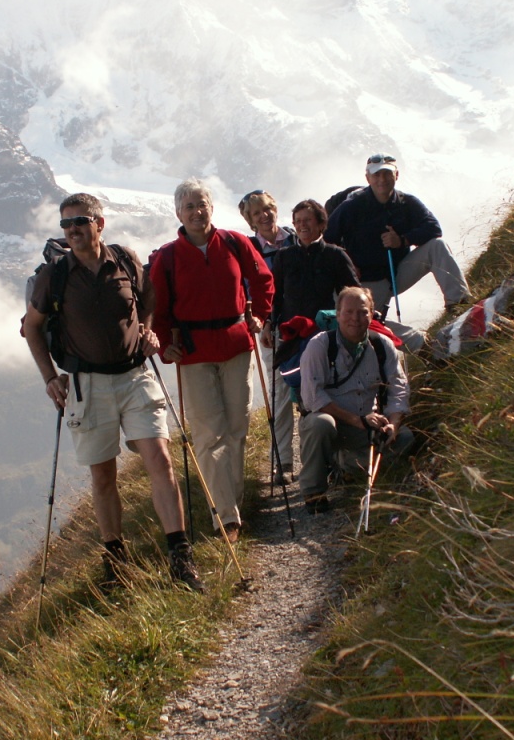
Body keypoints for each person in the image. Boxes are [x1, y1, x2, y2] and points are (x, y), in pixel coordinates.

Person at [22, 193, 204, 593]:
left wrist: (148, 330)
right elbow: (30, 326)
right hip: (87, 384)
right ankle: (116, 562)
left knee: (161, 461)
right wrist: (49, 377)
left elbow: (148, 300)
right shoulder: (54, 276)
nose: (72, 230)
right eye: (66, 224)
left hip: (135, 375)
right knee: (103, 476)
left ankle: (180, 558)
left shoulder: (124, 260)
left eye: (80, 221)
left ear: (99, 224)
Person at [151, 178, 275, 543]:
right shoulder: (168, 257)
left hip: (237, 344)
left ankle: (231, 505)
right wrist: (164, 346)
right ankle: (227, 518)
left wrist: (260, 315)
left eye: (201, 204)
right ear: (178, 213)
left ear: (211, 207)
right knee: (208, 435)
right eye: (189, 206)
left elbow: (263, 279)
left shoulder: (235, 243)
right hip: (193, 353)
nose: (196, 212)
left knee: (237, 427)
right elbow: (157, 308)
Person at [297, 286, 412, 514]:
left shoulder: (382, 345)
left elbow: (399, 387)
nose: (355, 319)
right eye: (348, 312)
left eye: (362, 312)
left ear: (372, 313)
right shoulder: (320, 346)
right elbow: (312, 398)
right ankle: (314, 491)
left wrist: (393, 424)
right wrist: (357, 420)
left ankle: (348, 467)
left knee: (405, 439)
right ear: (338, 314)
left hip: (365, 425)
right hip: (332, 423)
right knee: (320, 424)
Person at [325, 153, 470, 315]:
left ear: (396, 175)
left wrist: (402, 240)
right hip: (364, 283)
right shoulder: (352, 206)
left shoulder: (407, 203)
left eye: (387, 173)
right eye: (376, 174)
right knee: (364, 323)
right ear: (368, 178)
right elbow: (326, 239)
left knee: (437, 246)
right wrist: (348, 263)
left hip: (397, 274)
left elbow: (433, 228)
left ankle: (459, 303)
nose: (382, 179)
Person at [238, 189, 298, 486]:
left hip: (303, 322)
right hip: (270, 330)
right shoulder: (248, 249)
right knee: (279, 393)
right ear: (250, 220)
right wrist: (259, 321)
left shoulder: (296, 238)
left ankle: (325, 456)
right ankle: (282, 461)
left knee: (315, 386)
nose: (264, 215)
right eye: (256, 213)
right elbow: (246, 289)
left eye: (267, 209)